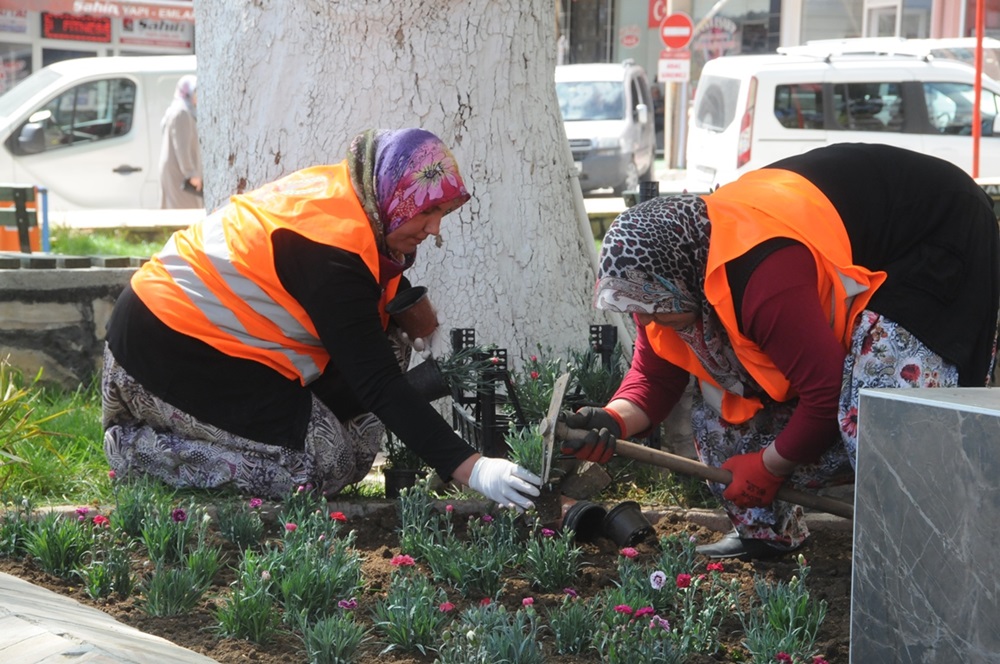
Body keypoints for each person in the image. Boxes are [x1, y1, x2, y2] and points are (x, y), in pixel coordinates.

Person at [561, 143, 1000, 560]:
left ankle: (930, 549)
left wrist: (770, 466)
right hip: (864, 228)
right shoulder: (664, 284)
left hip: (935, 231)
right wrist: (613, 419)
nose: (650, 321)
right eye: (641, 312)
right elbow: (655, 377)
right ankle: (766, 535)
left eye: (657, 308)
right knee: (719, 425)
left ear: (681, 279)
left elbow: (826, 391)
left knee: (881, 404)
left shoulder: (760, 276)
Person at [103, 127, 541, 510]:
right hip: (162, 348)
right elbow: (378, 382)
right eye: (425, 210)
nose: (434, 229)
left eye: (441, 214)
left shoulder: (354, 199)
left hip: (226, 346)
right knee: (317, 469)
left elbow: (365, 338)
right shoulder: (331, 250)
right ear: (392, 196)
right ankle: (137, 451)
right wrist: (473, 469)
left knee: (350, 450)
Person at [159, 74, 203, 209]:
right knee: (185, 212)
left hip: (177, 170)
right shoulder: (181, 113)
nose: (198, 96)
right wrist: (191, 174)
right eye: (196, 92)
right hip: (180, 174)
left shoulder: (181, 109)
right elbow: (182, 147)